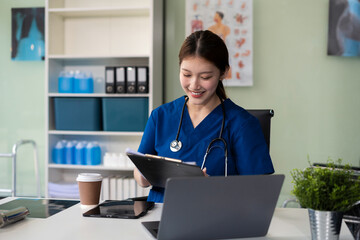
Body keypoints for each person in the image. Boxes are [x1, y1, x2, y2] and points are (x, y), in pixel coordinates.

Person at [134, 30, 274, 203]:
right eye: (186, 74)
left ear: (223, 73)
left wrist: (213, 188)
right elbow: (140, 175)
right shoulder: (161, 116)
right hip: (159, 217)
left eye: (205, 77)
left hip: (215, 219)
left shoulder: (242, 124)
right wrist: (145, 173)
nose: (194, 85)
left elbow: (259, 193)